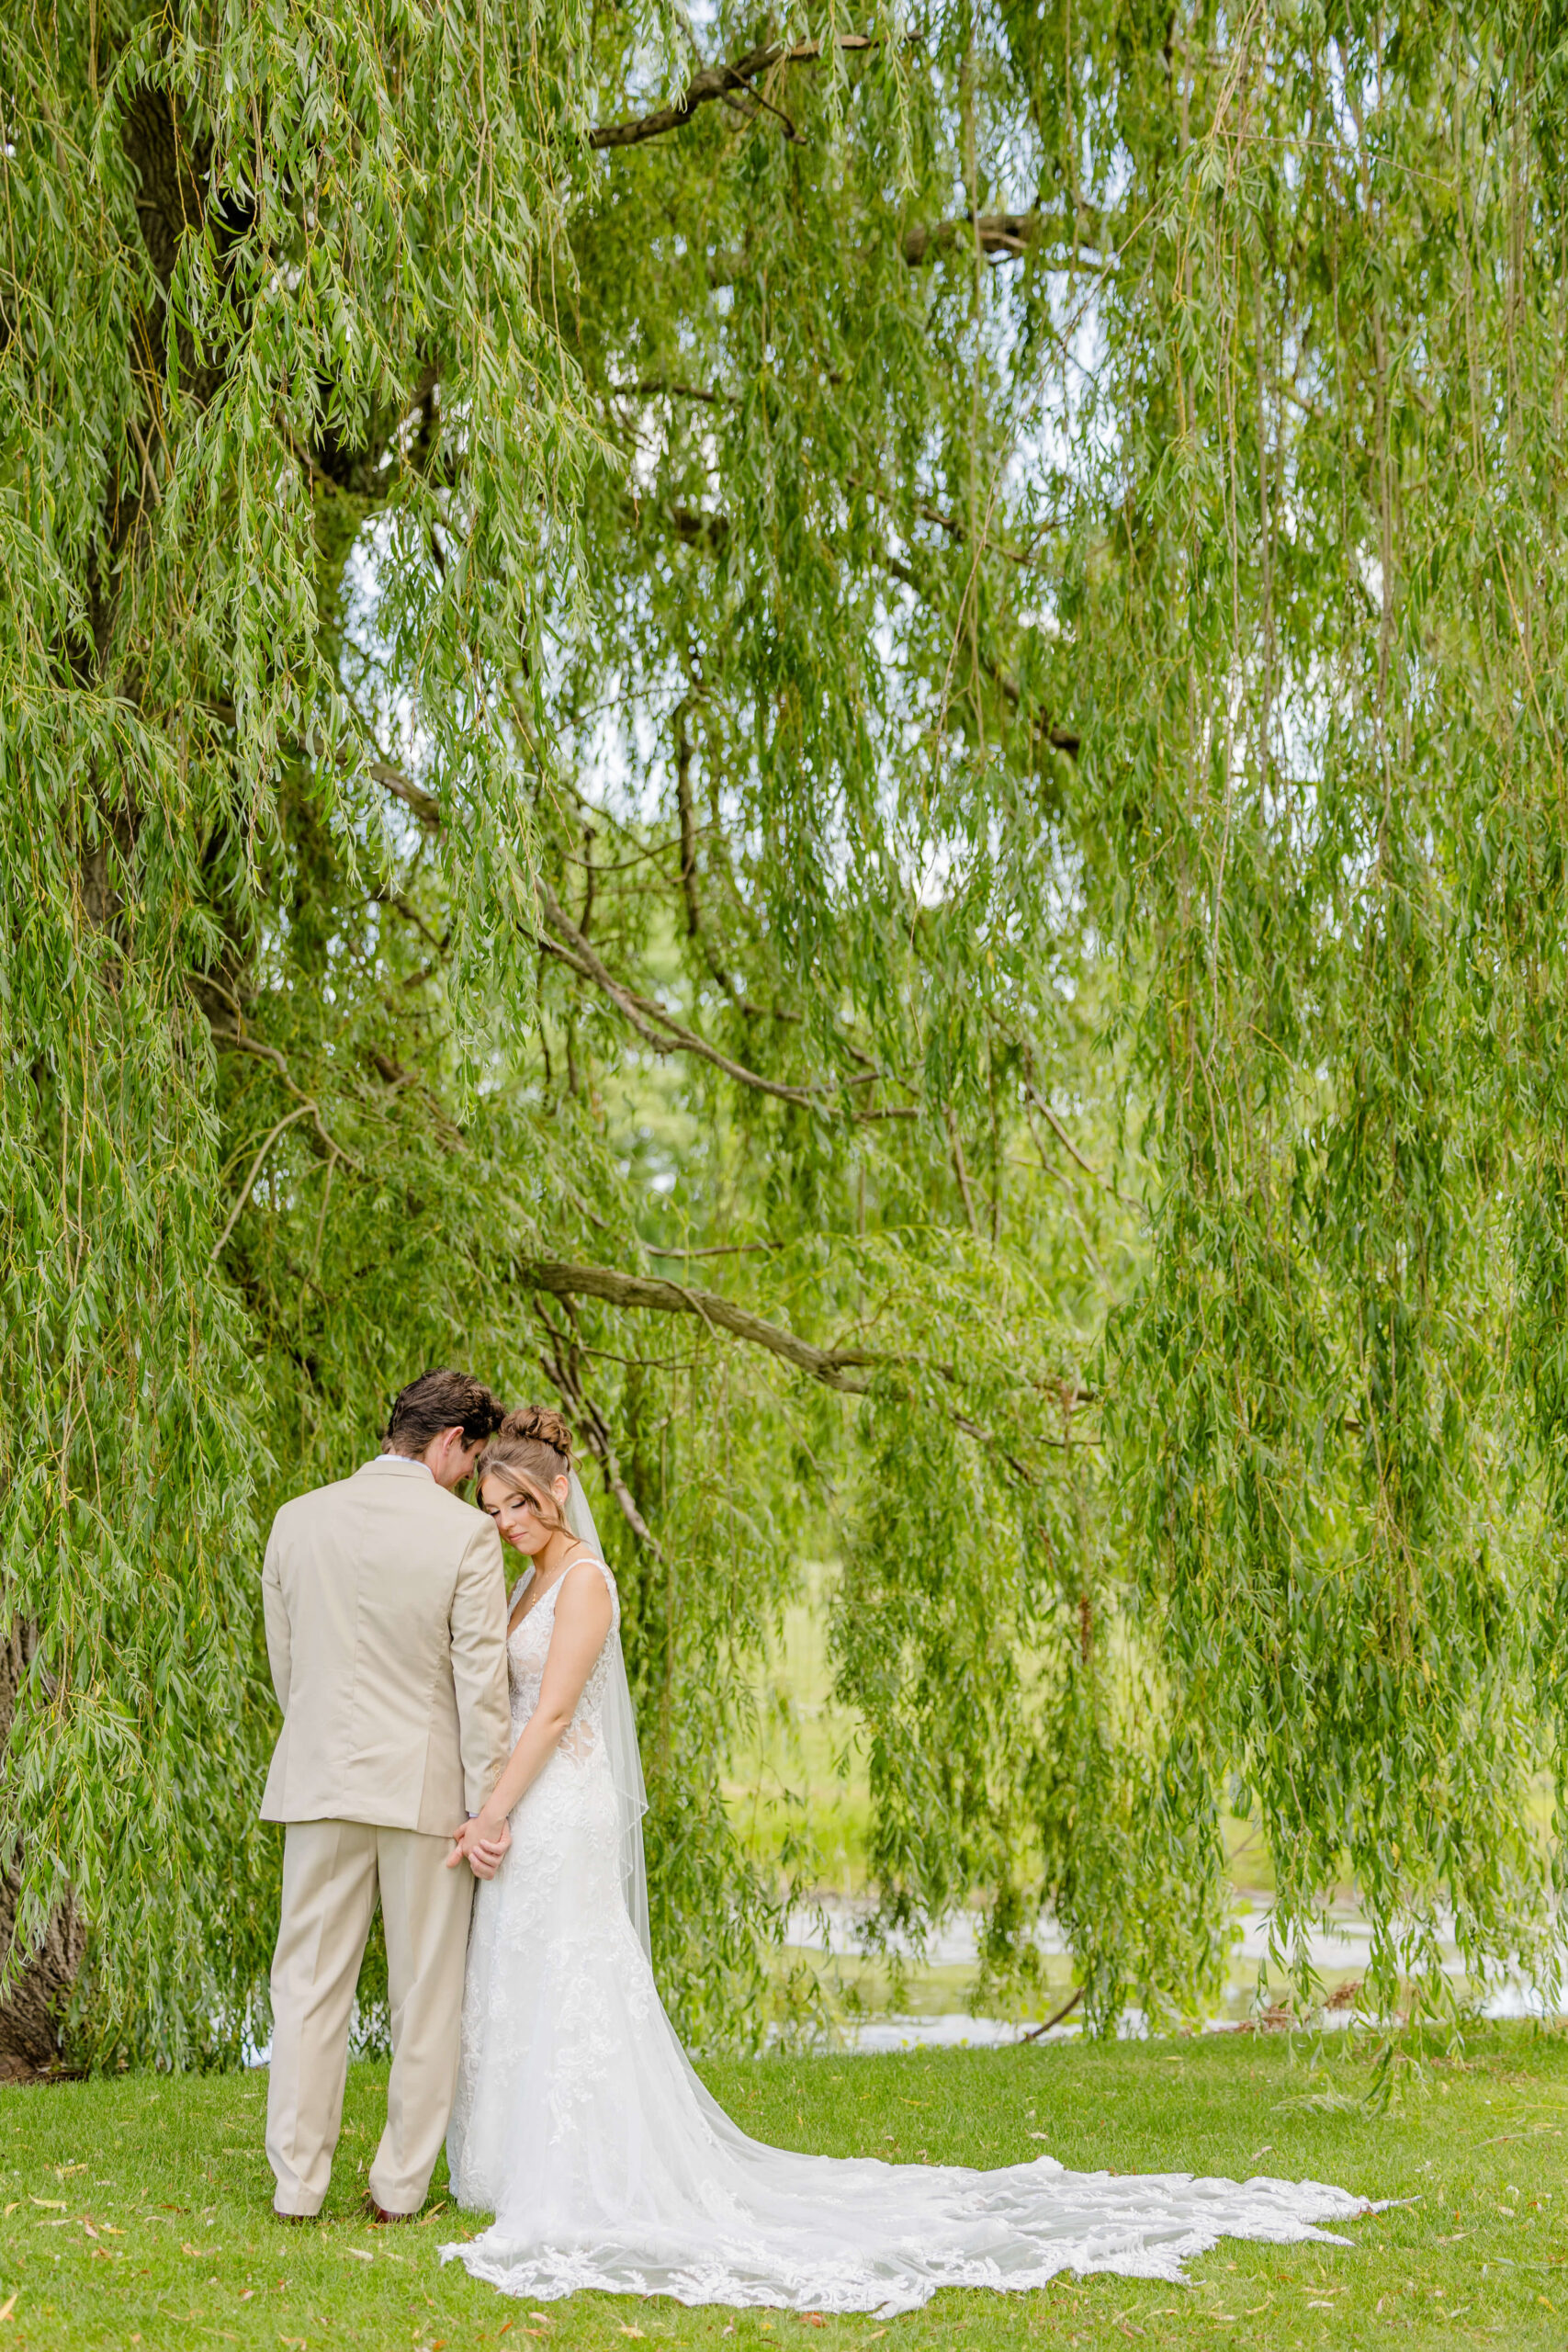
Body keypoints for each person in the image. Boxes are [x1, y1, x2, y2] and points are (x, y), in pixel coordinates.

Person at [442, 1408, 1379, 2317]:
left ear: (561, 1487)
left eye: (521, 1504)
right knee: (529, 1966)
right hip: (533, 1799)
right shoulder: (529, 1577)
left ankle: (582, 2164)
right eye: (495, 1511)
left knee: (574, 1970)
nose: (508, 1524)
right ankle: (511, 2156)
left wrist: (491, 1811)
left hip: (560, 1801)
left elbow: (557, 1712)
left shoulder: (587, 1581)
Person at [260, 1369, 512, 2223]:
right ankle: (399, 2186)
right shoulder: (465, 1539)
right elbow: (479, 1687)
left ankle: (298, 2186)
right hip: (425, 1790)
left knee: (307, 1985)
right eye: (471, 1462)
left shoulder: (297, 1520)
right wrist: (488, 1808)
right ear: (450, 1443)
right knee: (424, 1993)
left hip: (319, 1777)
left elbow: (288, 1669)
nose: (468, 1481)